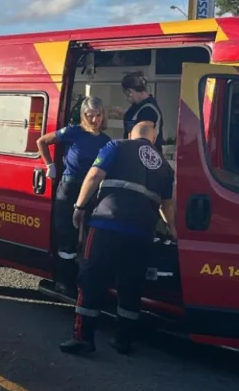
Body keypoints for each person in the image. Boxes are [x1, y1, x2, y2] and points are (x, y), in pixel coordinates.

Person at [59, 122, 175, 356]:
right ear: (153, 140)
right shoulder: (164, 165)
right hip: (142, 232)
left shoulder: (117, 145)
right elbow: (167, 205)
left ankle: (83, 338)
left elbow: (94, 175)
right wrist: (173, 231)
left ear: (130, 134)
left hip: (108, 223)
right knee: (131, 284)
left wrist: (79, 206)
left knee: (91, 278)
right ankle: (122, 340)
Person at [35, 96, 111, 297]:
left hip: (93, 190)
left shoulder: (106, 141)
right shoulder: (72, 132)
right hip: (69, 187)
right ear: (83, 116)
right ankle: (63, 281)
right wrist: (49, 165)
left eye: (98, 115)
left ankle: (84, 283)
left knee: (90, 237)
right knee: (66, 235)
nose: (94, 119)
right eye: (90, 115)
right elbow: (42, 141)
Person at [121, 71, 164, 148]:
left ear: (129, 92)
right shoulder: (138, 106)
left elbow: (142, 137)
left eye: (125, 94)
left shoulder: (149, 110)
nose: (125, 98)